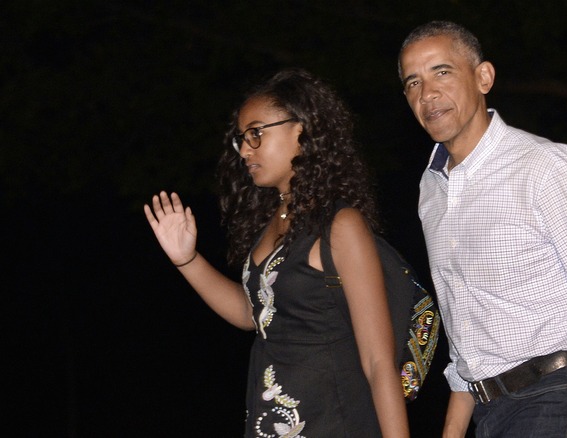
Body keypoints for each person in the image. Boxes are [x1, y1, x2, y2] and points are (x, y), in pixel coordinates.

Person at [397, 21, 567, 438]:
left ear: (483, 77)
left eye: (442, 72)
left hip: (563, 395)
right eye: (413, 81)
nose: (427, 93)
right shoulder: (431, 190)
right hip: (491, 412)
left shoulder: (542, 166)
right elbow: (467, 337)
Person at [144, 68, 409, 438]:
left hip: (334, 423)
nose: (245, 150)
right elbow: (254, 314)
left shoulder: (341, 225)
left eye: (256, 133)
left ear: (300, 129)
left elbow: (380, 361)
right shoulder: (271, 225)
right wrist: (186, 259)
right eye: (241, 139)